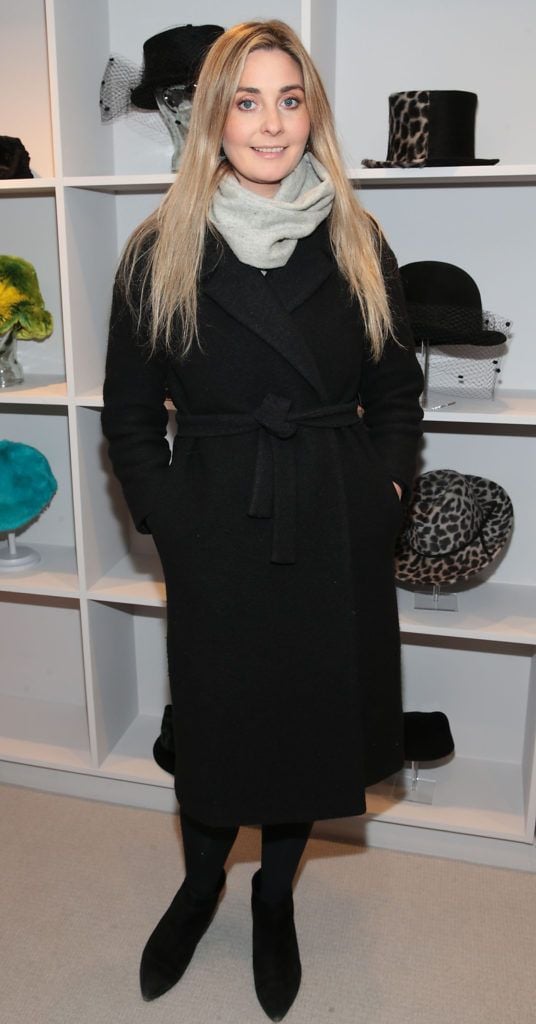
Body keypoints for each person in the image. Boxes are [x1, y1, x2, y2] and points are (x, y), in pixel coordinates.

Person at [101, 19, 424, 1021]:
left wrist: (383, 498)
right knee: (218, 725)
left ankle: (272, 895)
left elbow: (396, 398)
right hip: (219, 525)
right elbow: (124, 413)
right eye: (246, 99)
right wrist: (167, 520)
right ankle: (200, 885)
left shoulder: (358, 241)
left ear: (311, 116)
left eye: (290, 99)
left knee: (307, 725)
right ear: (211, 117)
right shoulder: (158, 250)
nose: (270, 122)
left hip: (329, 521)